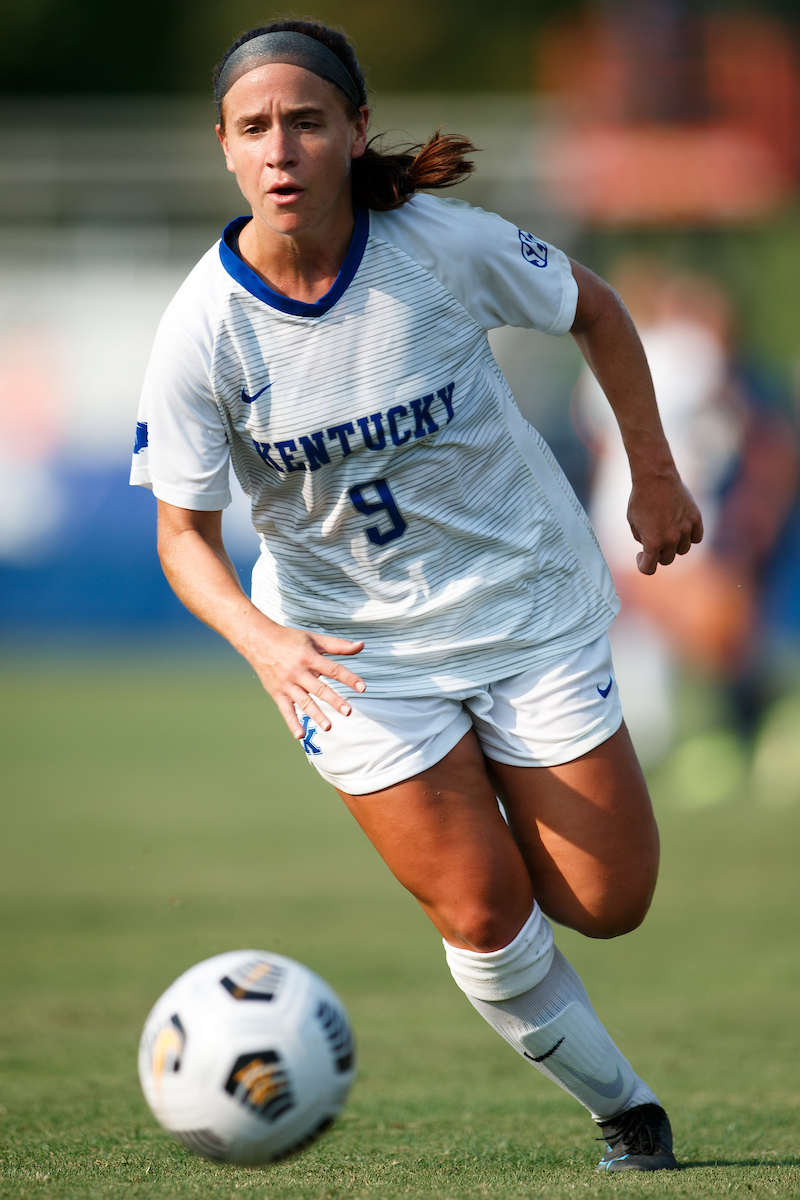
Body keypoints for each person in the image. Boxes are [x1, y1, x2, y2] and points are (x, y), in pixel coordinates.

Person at [130, 19, 702, 1173]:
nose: (281, 149)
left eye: (304, 121)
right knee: (483, 914)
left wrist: (650, 470)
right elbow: (183, 539)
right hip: (351, 659)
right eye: (255, 129)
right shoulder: (202, 330)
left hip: (522, 611)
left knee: (606, 899)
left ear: (352, 130)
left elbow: (591, 305)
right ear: (226, 151)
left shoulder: (437, 244)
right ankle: (626, 1114)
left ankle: (508, 810)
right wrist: (262, 642)